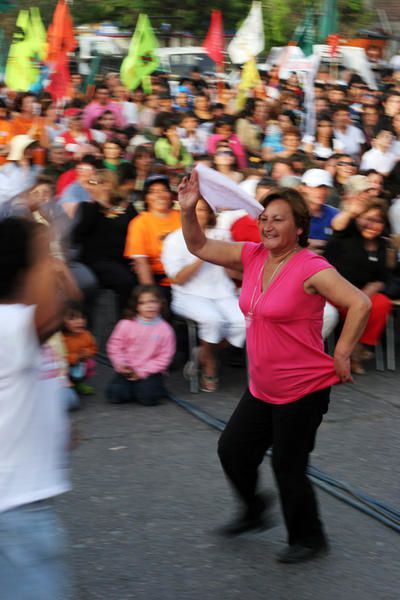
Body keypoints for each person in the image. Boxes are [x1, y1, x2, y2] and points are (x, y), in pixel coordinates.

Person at [178, 172, 371, 563]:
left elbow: (360, 304)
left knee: (288, 465)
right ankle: (254, 510)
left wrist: (342, 353)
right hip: (263, 385)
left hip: (303, 387)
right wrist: (187, 208)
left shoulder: (310, 266)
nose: (267, 223)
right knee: (232, 450)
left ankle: (309, 538)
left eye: (278, 218)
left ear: (300, 228)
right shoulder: (251, 255)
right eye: (265, 217)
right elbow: (197, 244)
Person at [0, 217, 78, 599]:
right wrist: (49, 241)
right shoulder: (8, 322)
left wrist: (58, 429)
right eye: (41, 258)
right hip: (12, 507)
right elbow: (51, 314)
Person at [162, 199, 246, 392]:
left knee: (244, 321)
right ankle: (210, 365)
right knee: (212, 320)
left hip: (222, 293)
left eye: (203, 210)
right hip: (188, 295)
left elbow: (233, 272)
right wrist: (203, 253)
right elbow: (178, 279)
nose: (199, 214)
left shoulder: (222, 235)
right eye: (195, 210)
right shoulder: (174, 239)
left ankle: (203, 353)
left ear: (210, 214)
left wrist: (229, 258)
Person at [324, 199, 393, 374]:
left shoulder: (383, 246)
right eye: (367, 219)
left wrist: (376, 285)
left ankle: (357, 347)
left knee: (382, 303)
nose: (372, 225)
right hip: (336, 290)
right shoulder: (346, 235)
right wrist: (351, 211)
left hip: (363, 294)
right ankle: (352, 354)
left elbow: (384, 276)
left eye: (378, 221)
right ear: (358, 219)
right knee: (358, 306)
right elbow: (338, 225)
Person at [106, 285, 176, 405]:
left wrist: (142, 372)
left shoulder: (165, 329)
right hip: (128, 369)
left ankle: (152, 388)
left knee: (148, 397)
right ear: (136, 306)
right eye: (143, 303)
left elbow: (164, 358)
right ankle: (136, 389)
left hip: (150, 371)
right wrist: (121, 364)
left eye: (153, 301)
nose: (149, 306)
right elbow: (114, 346)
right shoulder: (125, 324)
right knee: (115, 394)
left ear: (160, 303)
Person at [124, 174, 181, 298]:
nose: (159, 195)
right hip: (161, 281)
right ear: (146, 198)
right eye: (153, 192)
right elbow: (141, 263)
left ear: (171, 195)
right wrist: (152, 295)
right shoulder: (138, 223)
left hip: (190, 276)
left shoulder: (183, 217)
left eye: (163, 190)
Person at [62, 300, 98, 395]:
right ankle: (67, 384)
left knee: (90, 363)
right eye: (72, 318)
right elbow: (60, 357)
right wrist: (75, 357)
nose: (79, 322)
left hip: (79, 364)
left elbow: (93, 348)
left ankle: (79, 383)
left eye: (82, 317)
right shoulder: (61, 338)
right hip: (65, 367)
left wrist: (88, 352)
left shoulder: (86, 335)